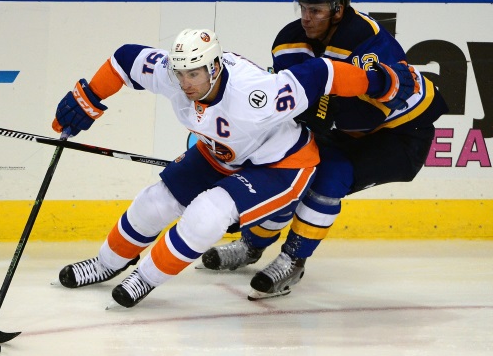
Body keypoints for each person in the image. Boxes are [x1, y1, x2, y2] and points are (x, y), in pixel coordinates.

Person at [52, 28, 419, 307]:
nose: (185, 84)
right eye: (180, 74)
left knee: (207, 215)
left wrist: (380, 82)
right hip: (223, 152)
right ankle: (106, 262)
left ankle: (144, 277)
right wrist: (88, 97)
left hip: (282, 163)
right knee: (155, 202)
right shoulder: (172, 73)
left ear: (214, 66)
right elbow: (125, 59)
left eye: (193, 74)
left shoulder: (257, 95)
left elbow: (323, 73)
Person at [201, 0, 449, 300]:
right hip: (345, 126)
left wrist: (316, 114)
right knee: (288, 168)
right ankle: (252, 244)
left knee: (329, 175)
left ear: (338, 10)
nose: (306, 17)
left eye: (315, 10)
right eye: (302, 8)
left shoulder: (368, 40)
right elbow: (293, 105)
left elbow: (368, 116)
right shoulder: (290, 42)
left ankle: (293, 260)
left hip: (402, 134)